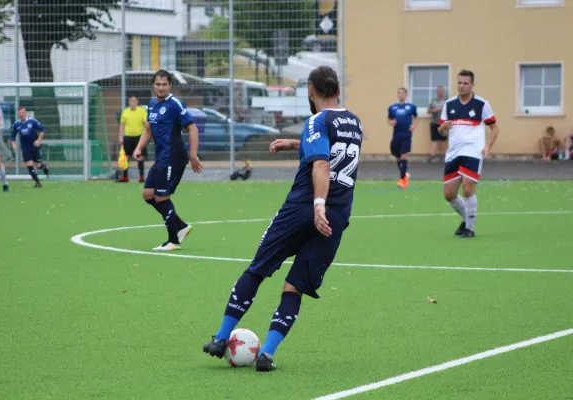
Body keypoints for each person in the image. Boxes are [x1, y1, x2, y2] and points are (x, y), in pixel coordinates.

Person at [203, 66, 364, 372]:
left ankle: (221, 338)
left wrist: (318, 204)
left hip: (303, 208)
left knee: (258, 269)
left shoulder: (317, 119)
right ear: (337, 90)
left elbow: (321, 163)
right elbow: (332, 148)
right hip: (338, 216)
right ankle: (266, 354)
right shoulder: (354, 122)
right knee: (294, 286)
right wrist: (293, 143)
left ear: (310, 90)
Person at [133, 70, 202, 250]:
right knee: (148, 195)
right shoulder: (151, 104)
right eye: (158, 84)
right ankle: (181, 226)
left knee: (161, 197)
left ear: (170, 85)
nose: (161, 88)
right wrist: (139, 148)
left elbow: (193, 128)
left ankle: (173, 241)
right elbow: (148, 130)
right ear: (153, 85)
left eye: (164, 84)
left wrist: (193, 155)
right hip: (161, 157)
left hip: (173, 156)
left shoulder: (175, 104)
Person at [438, 70, 499, 238]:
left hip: (473, 151)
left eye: (465, 83)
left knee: (467, 188)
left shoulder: (481, 104)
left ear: (472, 84)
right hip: (453, 153)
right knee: (449, 194)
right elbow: (441, 130)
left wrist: (488, 146)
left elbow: (494, 127)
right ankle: (467, 219)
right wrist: (443, 127)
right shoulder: (449, 104)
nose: (462, 86)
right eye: (459, 83)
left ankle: (469, 229)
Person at [11, 106, 50, 187]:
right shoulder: (16, 124)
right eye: (19, 113)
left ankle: (44, 165)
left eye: (23, 113)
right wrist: (14, 145)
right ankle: (38, 182)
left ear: (26, 113)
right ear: (18, 114)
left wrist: (38, 140)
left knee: (38, 165)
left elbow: (42, 130)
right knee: (29, 165)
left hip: (35, 146)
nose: (21, 115)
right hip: (25, 147)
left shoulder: (32, 121)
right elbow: (13, 136)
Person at [388, 87, 418, 189]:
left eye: (403, 93)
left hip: (406, 135)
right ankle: (404, 174)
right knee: (397, 156)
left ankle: (402, 181)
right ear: (398, 95)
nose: (401, 95)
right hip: (396, 135)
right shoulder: (392, 107)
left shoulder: (411, 107)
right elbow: (389, 119)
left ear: (406, 95)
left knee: (404, 156)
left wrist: (413, 125)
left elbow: (416, 117)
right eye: (399, 93)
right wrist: (391, 122)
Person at [118, 96, 148, 182]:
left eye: (133, 100)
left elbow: (146, 123)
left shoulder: (142, 111)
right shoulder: (125, 111)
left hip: (139, 137)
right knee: (126, 157)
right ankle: (125, 177)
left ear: (137, 102)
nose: (132, 102)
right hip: (128, 137)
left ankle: (141, 177)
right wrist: (120, 136)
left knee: (140, 156)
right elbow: (122, 125)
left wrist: (146, 135)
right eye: (130, 101)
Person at [428, 86, 447, 162]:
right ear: (437, 92)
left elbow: (451, 111)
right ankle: (432, 156)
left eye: (441, 91)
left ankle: (443, 156)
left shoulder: (446, 101)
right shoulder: (433, 101)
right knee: (434, 139)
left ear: (443, 91)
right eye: (439, 91)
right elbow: (428, 110)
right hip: (434, 123)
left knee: (443, 140)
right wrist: (434, 110)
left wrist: (442, 109)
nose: (440, 92)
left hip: (444, 123)